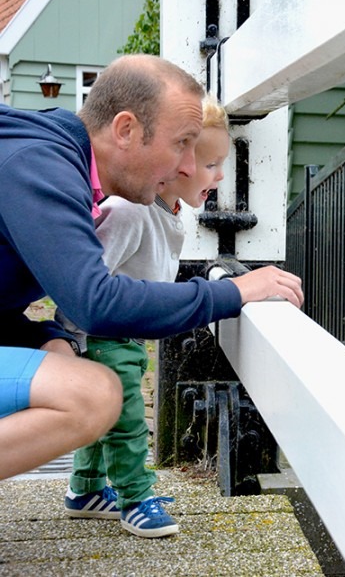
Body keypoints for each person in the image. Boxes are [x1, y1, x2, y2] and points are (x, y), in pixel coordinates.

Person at [0, 54, 304, 483]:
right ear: (126, 130)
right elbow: (96, 303)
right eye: (182, 142)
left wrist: (44, 337)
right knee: (93, 395)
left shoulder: (55, 158)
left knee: (64, 361)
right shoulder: (39, 166)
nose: (186, 166)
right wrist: (233, 292)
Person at [59, 95, 232, 538]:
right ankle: (136, 496)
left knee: (110, 419)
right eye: (211, 164)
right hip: (103, 336)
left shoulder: (170, 212)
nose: (220, 175)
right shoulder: (129, 212)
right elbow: (86, 281)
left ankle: (86, 490)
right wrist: (72, 341)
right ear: (176, 162)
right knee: (128, 420)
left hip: (128, 337)